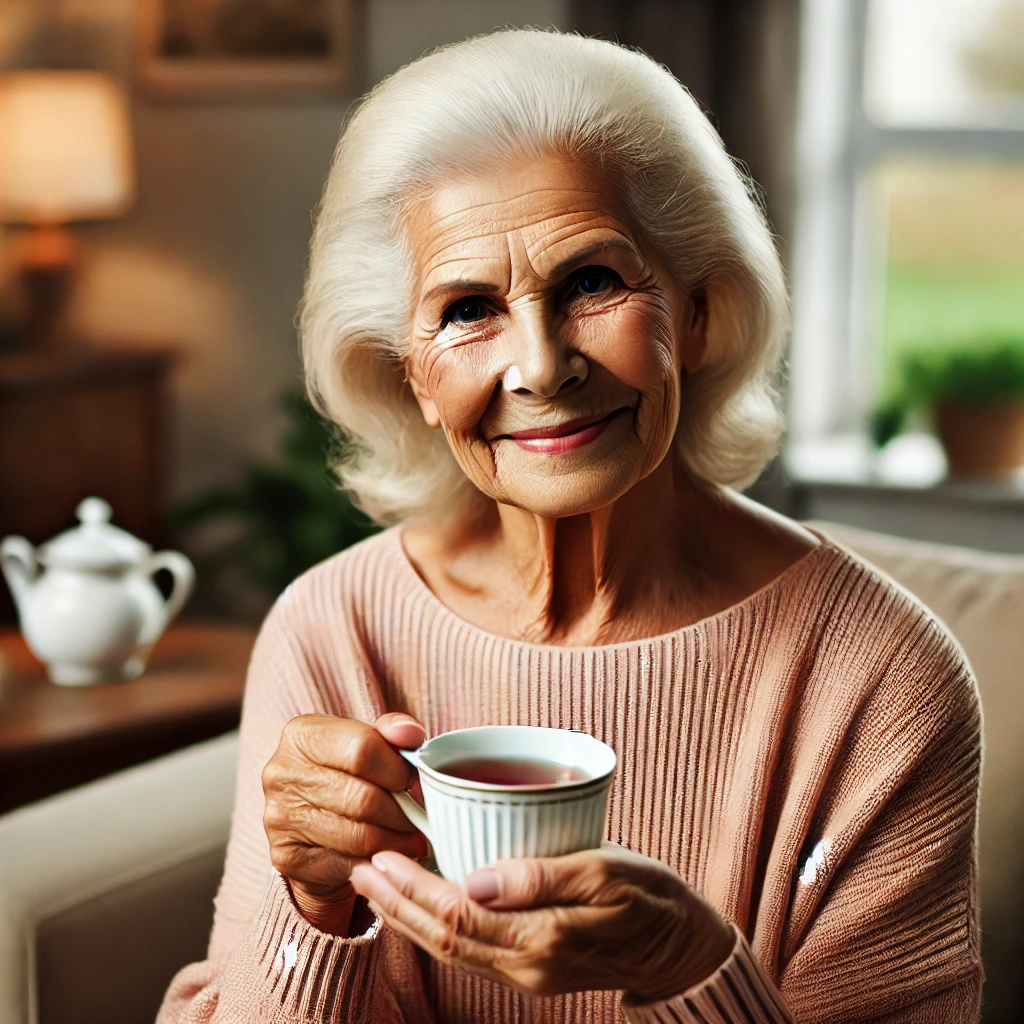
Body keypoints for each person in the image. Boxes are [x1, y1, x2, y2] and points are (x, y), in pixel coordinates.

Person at [158, 28, 981, 1024]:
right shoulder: (329, 630)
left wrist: (689, 967)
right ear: (407, 375)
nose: (542, 367)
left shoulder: (880, 676)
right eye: (468, 308)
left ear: (700, 309)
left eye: (592, 281)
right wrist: (312, 910)